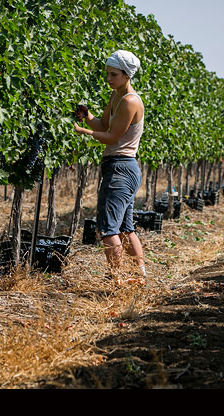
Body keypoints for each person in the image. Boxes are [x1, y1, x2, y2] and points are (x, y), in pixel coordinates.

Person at [74, 49, 146, 285]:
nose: (109, 79)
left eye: (113, 74)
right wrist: (87, 117)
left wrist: (84, 132)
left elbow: (112, 136)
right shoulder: (116, 96)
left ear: (127, 75)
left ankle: (119, 282)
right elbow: (103, 124)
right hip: (118, 168)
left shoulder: (130, 101)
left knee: (108, 229)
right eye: (107, 74)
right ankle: (138, 278)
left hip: (121, 168)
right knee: (126, 228)